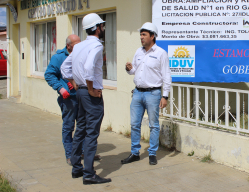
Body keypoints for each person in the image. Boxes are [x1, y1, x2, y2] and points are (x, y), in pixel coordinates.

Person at [61, 13, 111, 185]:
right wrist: (90, 89)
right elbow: (89, 68)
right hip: (91, 94)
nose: (103, 28)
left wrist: (75, 82)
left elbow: (64, 68)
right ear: (97, 28)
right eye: (102, 26)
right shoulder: (96, 46)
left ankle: (77, 168)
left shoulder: (79, 46)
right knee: (91, 132)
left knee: (81, 128)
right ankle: (89, 174)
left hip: (81, 92)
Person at [121, 22, 171, 166]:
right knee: (134, 124)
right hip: (137, 93)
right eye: (140, 35)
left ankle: (152, 153)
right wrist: (129, 68)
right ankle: (135, 153)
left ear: (152, 36)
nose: (141, 37)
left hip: (153, 94)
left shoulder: (161, 53)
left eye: (144, 35)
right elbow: (134, 71)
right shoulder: (139, 51)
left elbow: (167, 76)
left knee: (153, 125)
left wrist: (165, 96)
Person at [44, 34, 81, 166]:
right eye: (76, 45)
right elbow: (49, 75)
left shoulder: (80, 55)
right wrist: (61, 88)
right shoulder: (58, 57)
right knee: (69, 127)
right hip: (68, 100)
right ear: (68, 46)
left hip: (81, 97)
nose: (79, 47)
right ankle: (70, 155)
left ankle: (81, 152)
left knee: (82, 127)